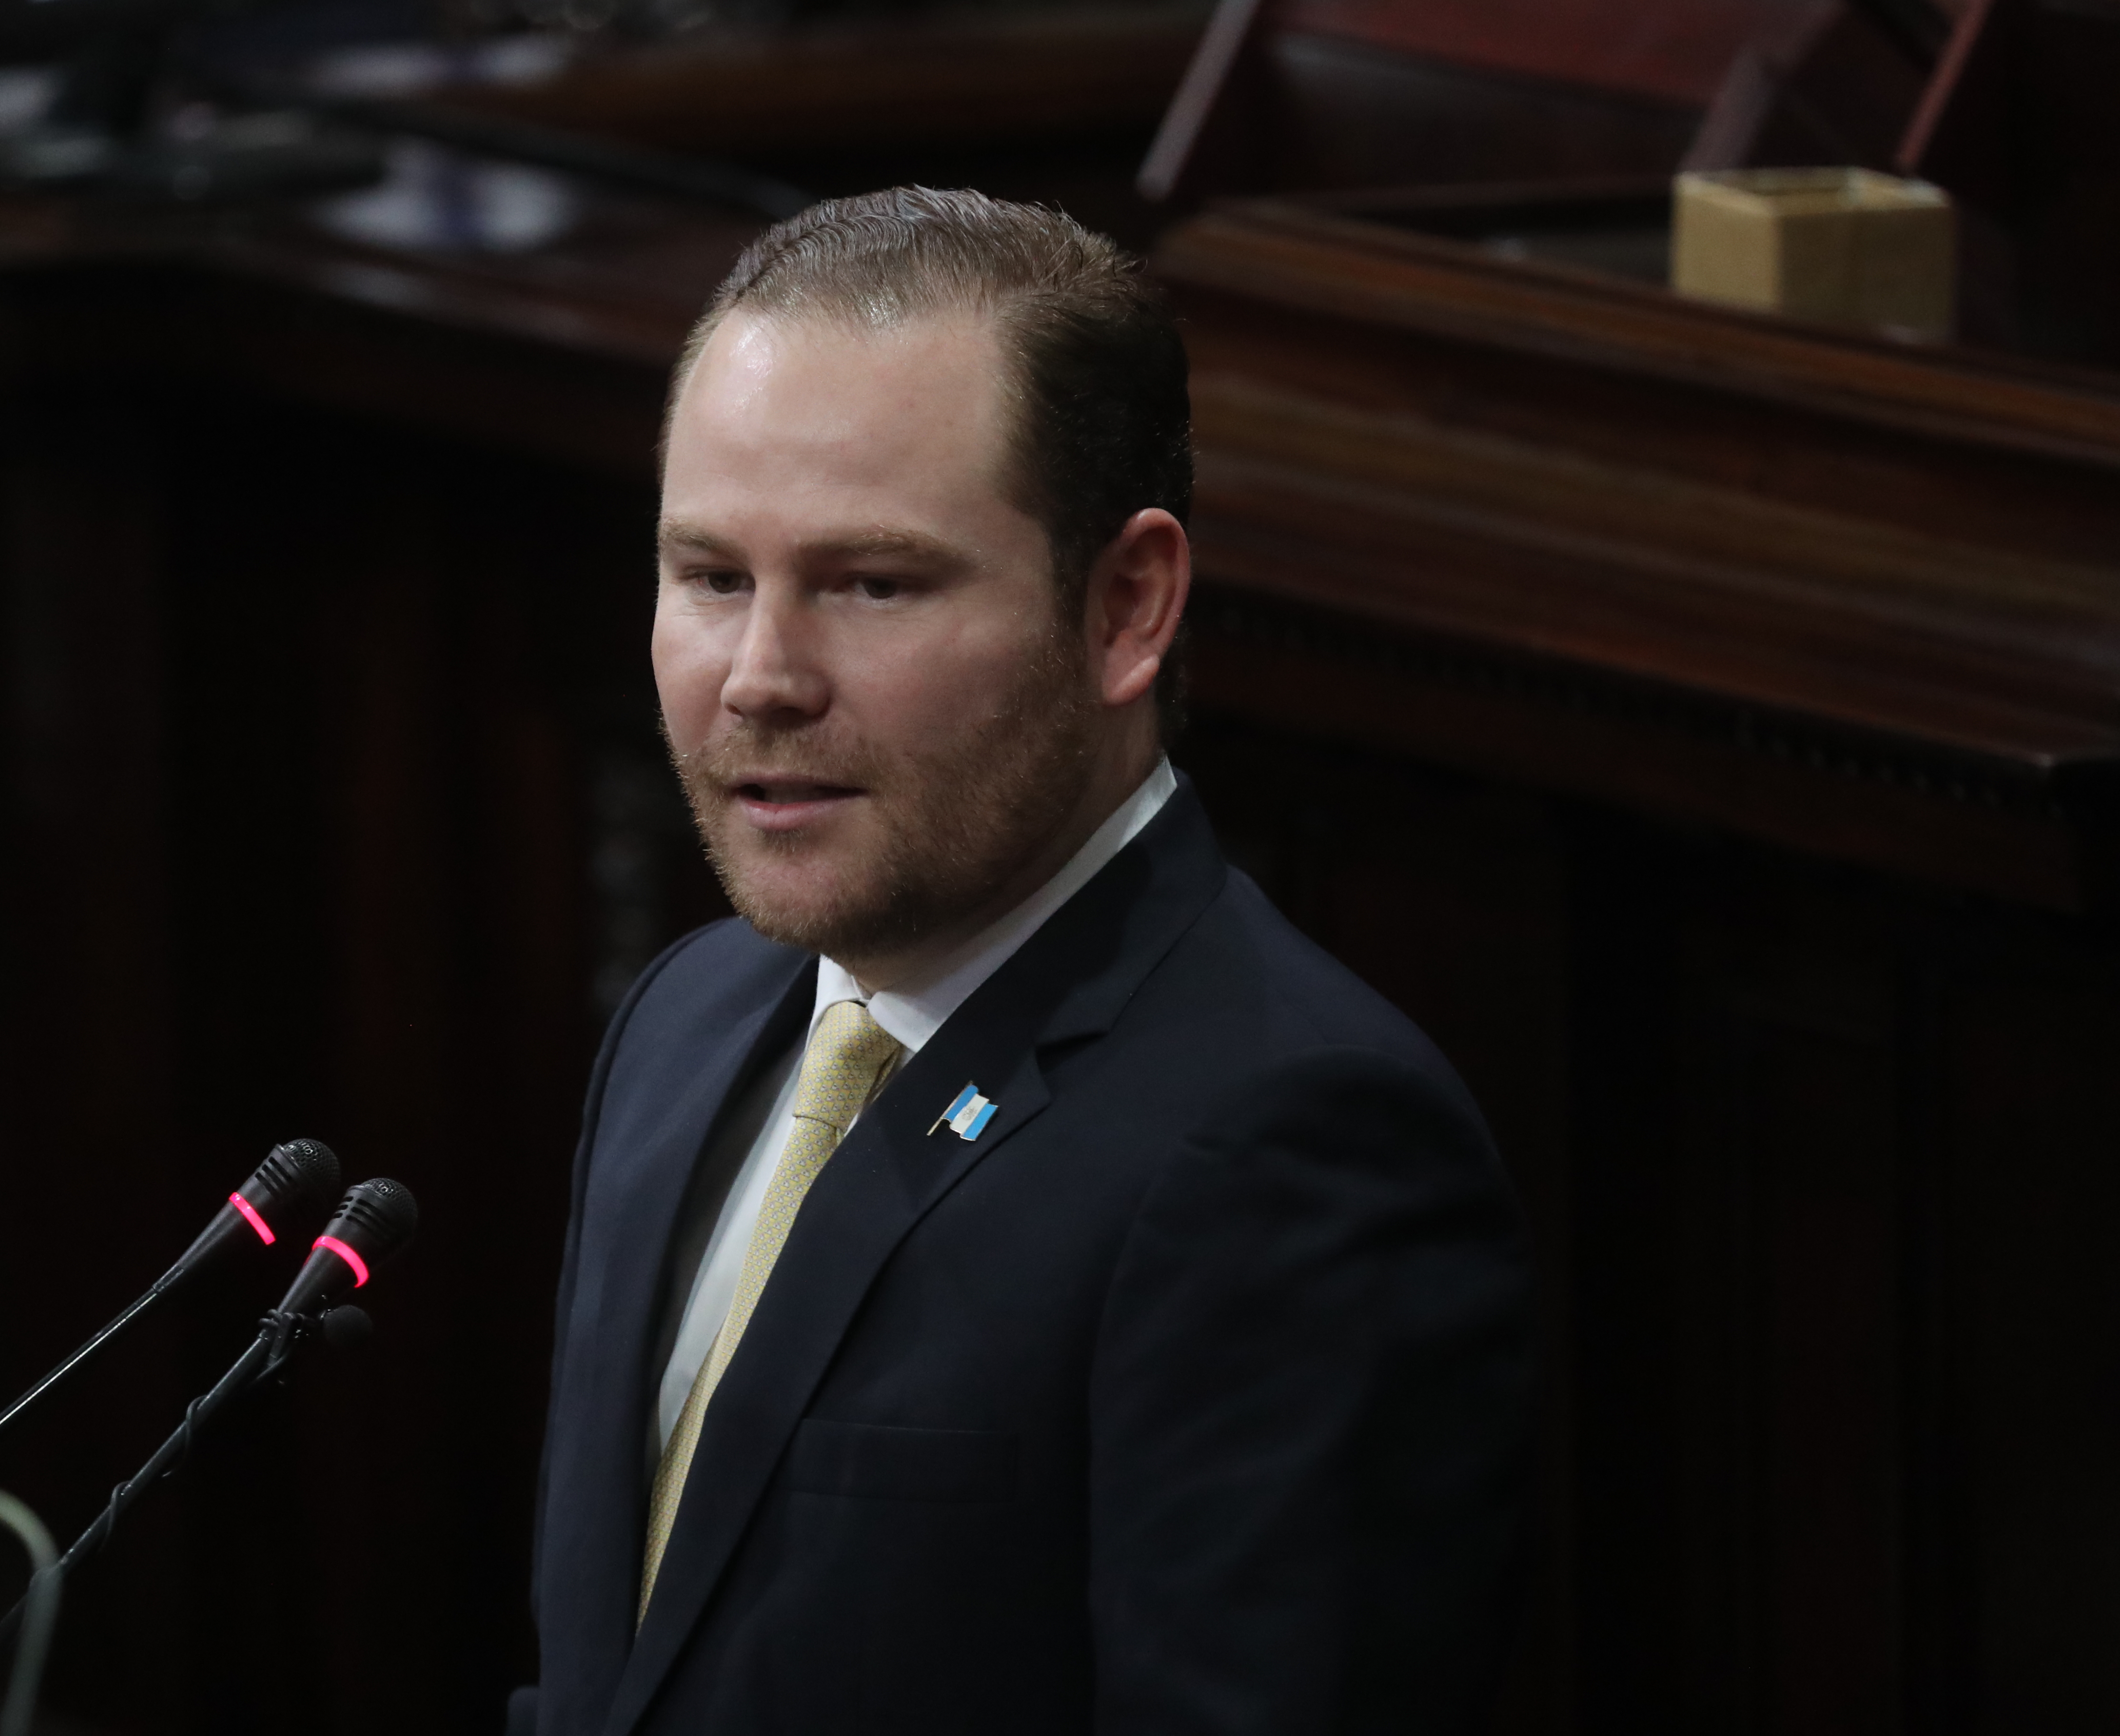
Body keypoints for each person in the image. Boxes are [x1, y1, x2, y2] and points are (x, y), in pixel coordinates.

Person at [516, 188, 1534, 1735]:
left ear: (1126, 607)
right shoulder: (684, 1021)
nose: (762, 679)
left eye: (873, 584)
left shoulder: (1290, 1143)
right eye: (712, 576)